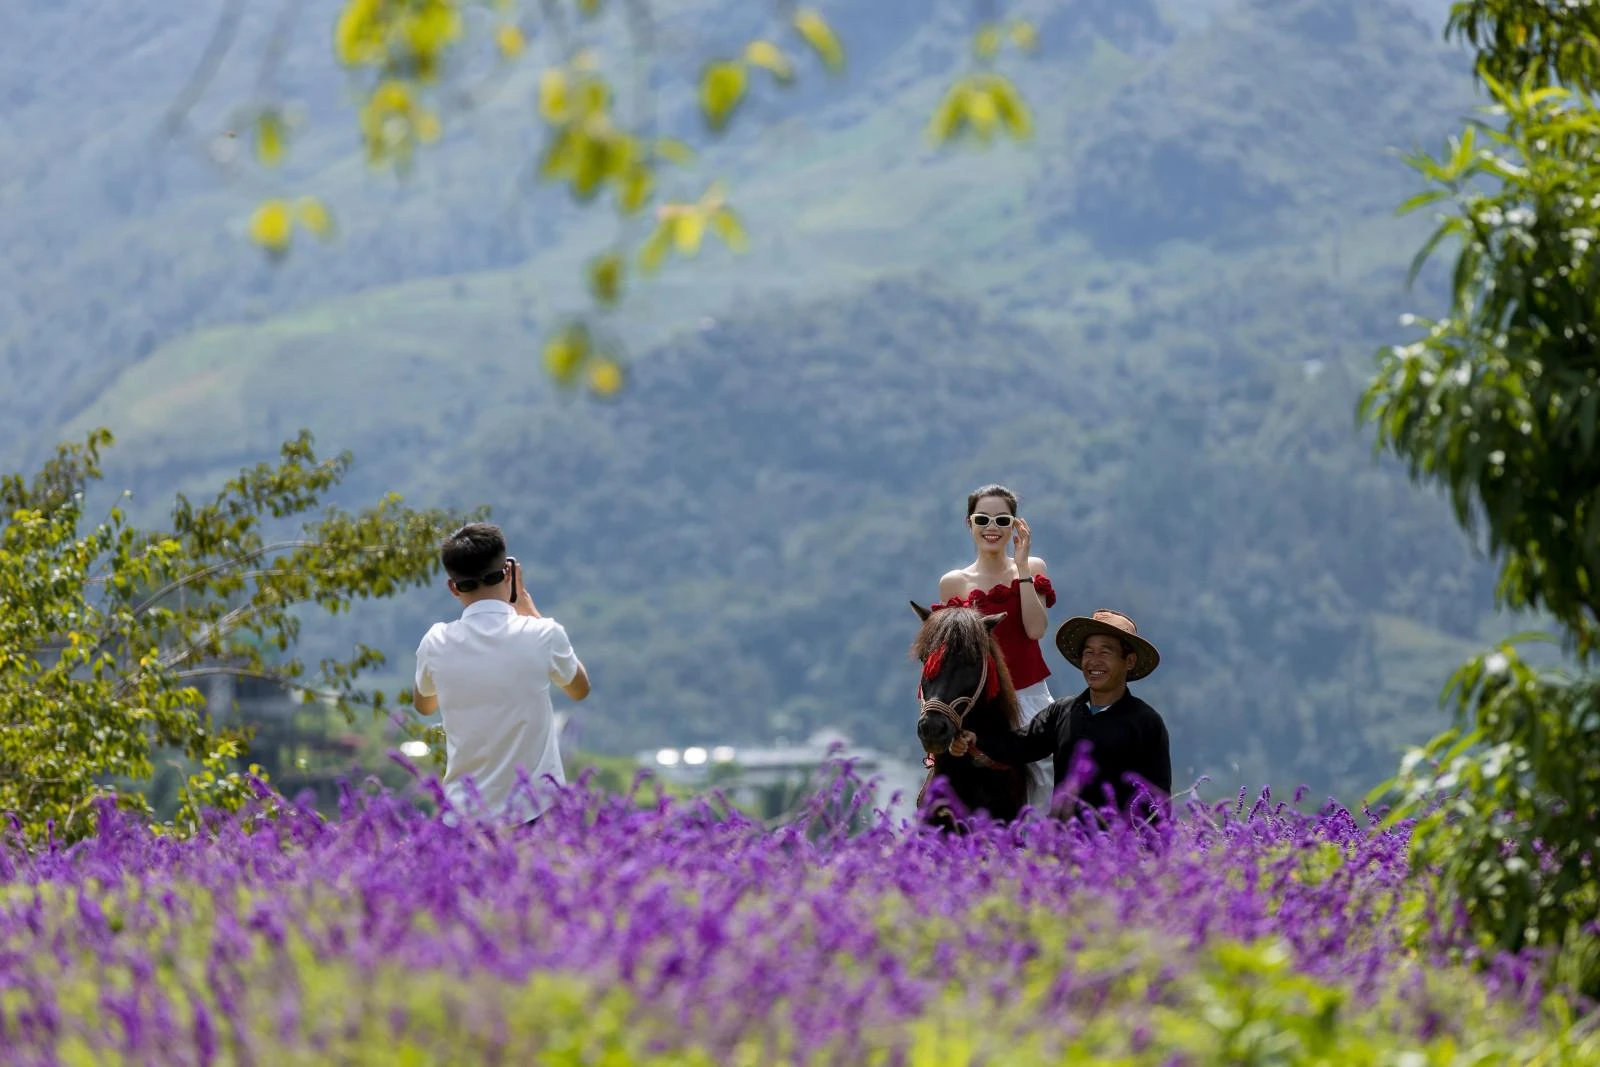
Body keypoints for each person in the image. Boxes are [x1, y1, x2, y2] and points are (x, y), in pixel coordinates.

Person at [412, 522, 591, 826]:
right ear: (508, 573)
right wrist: (530, 611)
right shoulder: (543, 634)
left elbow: (424, 705)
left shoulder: (436, 641)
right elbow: (579, 689)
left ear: (453, 587)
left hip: (464, 815)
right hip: (536, 810)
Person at [953, 609, 1170, 822]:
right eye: (1088, 652)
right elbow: (1017, 745)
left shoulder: (1146, 723)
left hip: (1118, 850)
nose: (1094, 661)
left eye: (1105, 652)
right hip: (1064, 846)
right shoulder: (1062, 712)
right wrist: (976, 741)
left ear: (1129, 661)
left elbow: (1157, 800)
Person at [930, 483, 1057, 811]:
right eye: (982, 519)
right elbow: (948, 653)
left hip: (1029, 696)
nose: (992, 528)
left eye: (1002, 521)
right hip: (978, 704)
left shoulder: (1033, 568)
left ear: (1015, 525)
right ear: (968, 523)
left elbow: (1036, 629)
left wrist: (1024, 567)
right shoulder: (954, 583)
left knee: (1047, 775)